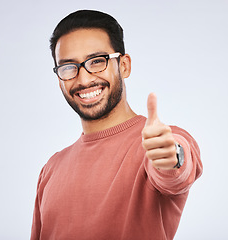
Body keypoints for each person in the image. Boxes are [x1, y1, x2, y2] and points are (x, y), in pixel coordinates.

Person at [30, 10, 203, 240]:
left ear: (124, 66)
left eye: (97, 62)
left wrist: (173, 157)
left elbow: (176, 168)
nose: (83, 79)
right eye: (68, 67)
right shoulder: (50, 169)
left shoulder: (156, 144)